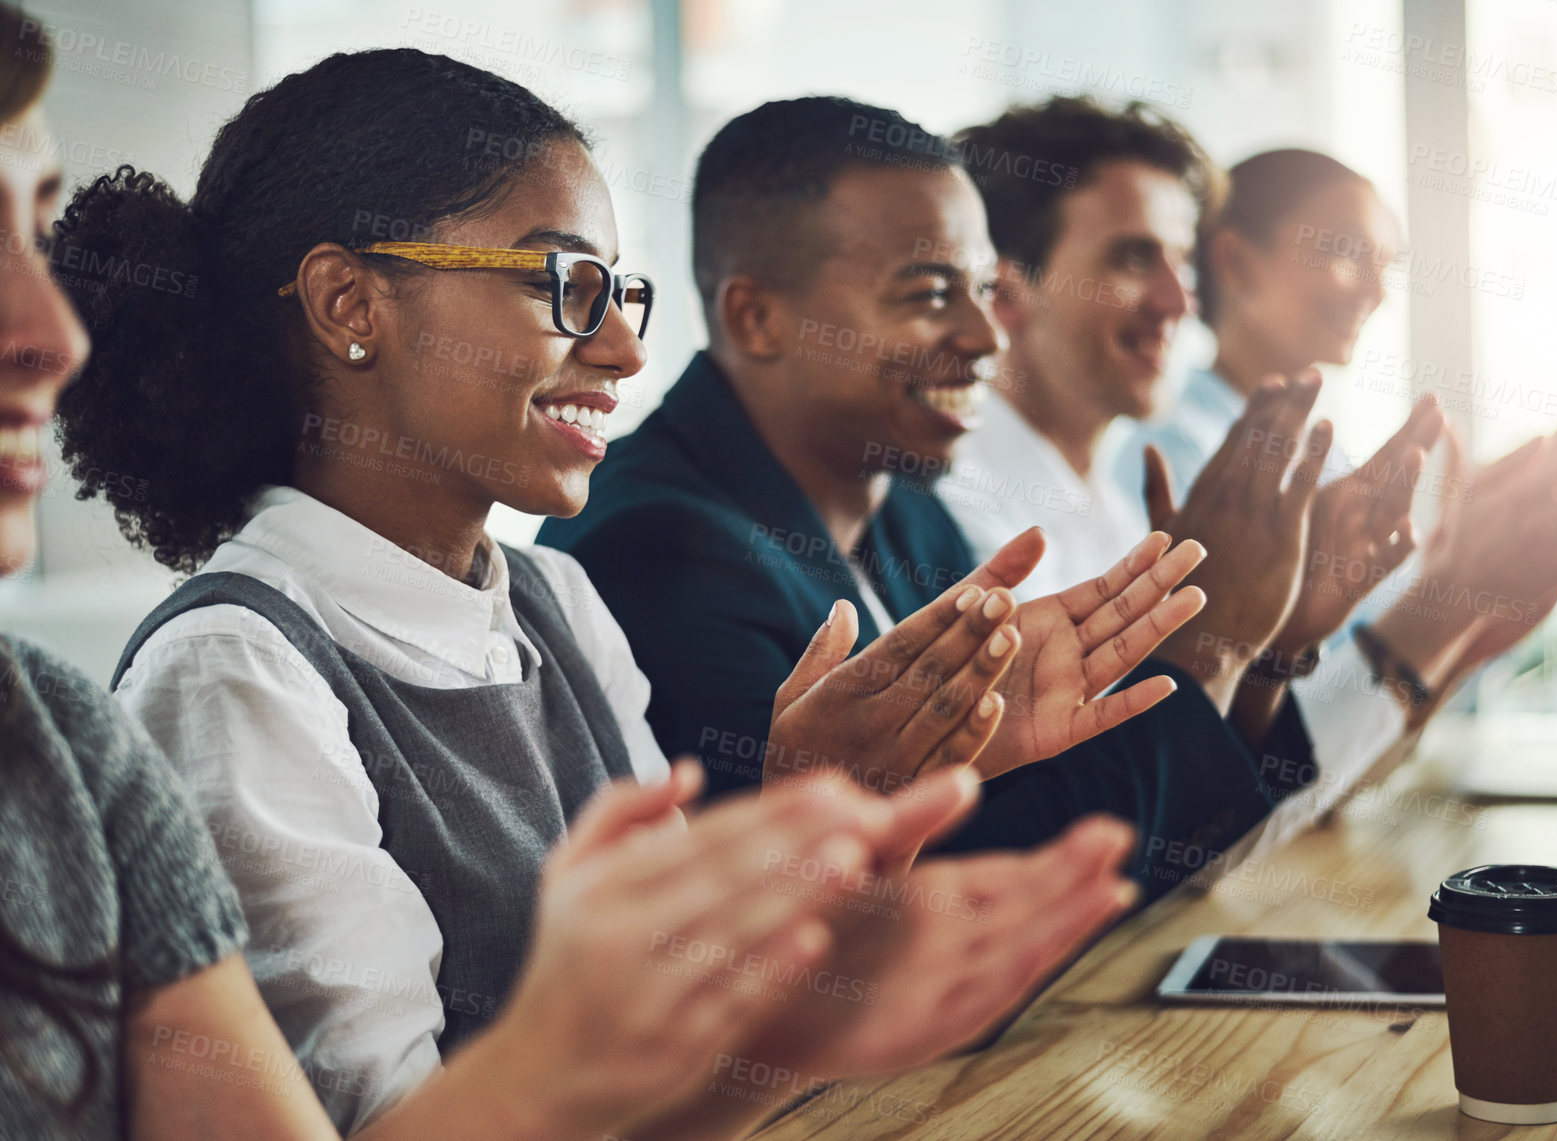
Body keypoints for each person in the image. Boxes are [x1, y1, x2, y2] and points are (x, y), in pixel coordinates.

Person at [46, 45, 1140, 1138]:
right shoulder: (240, 671)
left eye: (621, 293)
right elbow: (401, 1117)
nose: (620, 349)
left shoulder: (554, 602)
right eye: (564, 286)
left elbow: (681, 1080)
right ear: (350, 304)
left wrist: (832, 815)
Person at [540, 97, 1322, 899]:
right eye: (928, 295)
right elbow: (895, 918)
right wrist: (1209, 646)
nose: (987, 337)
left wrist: (1247, 651)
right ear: (757, 316)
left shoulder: (899, 497)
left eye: (983, 290)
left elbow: (1016, 808)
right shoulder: (659, 551)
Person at [943, 100, 1452, 857]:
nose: (1179, 302)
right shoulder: (961, 522)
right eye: (1129, 259)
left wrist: (1276, 649)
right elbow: (1092, 836)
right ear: (1008, 294)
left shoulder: (1119, 507)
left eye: (1179, 263)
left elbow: (1197, 814)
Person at [1117, 146, 1557, 805]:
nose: (1373, 289)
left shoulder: (1329, 464)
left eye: (1384, 264)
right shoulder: (1175, 465)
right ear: (1233, 262)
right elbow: (1249, 765)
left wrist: (1485, 602)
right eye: (1343, 250)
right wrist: (1459, 585)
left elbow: (1362, 739)